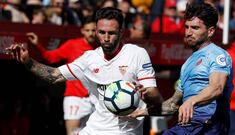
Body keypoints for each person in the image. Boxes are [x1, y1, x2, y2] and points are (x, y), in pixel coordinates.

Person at [6, 7, 163, 135]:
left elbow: (156, 97)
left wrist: (146, 94)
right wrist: (28, 62)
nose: (106, 38)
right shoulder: (88, 59)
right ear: (96, 32)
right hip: (94, 129)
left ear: (121, 32)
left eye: (112, 33)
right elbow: (54, 76)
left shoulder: (136, 54)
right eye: (102, 32)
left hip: (125, 132)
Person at [161, 2, 233, 134]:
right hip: (187, 126)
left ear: (210, 31)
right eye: (187, 27)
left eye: (194, 28)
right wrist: (142, 110)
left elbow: (217, 88)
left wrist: (191, 101)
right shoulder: (187, 63)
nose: (188, 32)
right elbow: (173, 103)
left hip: (210, 125)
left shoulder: (217, 54)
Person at [26, 16, 97, 135]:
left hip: (93, 99)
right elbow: (51, 57)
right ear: (82, 31)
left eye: (93, 30)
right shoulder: (72, 45)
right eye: (87, 30)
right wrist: (38, 44)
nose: (90, 33)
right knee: (73, 133)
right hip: (75, 98)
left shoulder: (98, 49)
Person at [227, 36, 235, 135]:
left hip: (231, 100)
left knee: (233, 131)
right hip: (232, 102)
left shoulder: (228, 54)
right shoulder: (229, 54)